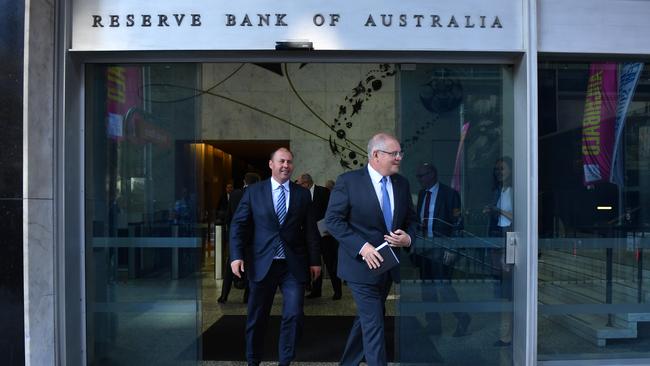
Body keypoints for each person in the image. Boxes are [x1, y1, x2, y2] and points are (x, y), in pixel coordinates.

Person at [325, 133, 417, 366]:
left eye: (400, 153)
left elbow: (413, 221)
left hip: (387, 266)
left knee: (368, 318)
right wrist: (362, 247)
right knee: (374, 323)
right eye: (393, 153)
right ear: (376, 155)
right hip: (360, 267)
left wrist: (408, 238)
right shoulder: (349, 181)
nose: (398, 158)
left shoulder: (402, 183)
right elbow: (333, 221)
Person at [229, 148, 321, 366]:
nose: (286, 166)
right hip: (262, 263)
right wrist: (236, 256)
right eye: (281, 161)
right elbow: (238, 225)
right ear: (271, 164)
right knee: (257, 317)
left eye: (289, 162)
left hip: (293, 265)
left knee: (294, 314)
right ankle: (253, 360)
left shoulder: (302, 194)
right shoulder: (254, 192)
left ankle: (285, 361)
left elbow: (310, 230)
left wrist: (315, 260)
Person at [414, 163, 471, 337]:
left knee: (443, 285)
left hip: (443, 247)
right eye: (418, 176)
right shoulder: (423, 194)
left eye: (422, 175)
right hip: (425, 247)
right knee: (427, 288)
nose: (420, 179)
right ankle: (433, 324)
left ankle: (462, 317)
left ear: (432, 174)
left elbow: (458, 224)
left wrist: (453, 248)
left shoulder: (450, 194)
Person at [483, 156, 513, 347]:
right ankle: (509, 332)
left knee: (510, 289)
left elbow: (520, 215)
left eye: (502, 169)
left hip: (511, 239)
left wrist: (497, 210)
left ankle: (510, 334)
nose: (499, 172)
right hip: (497, 239)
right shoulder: (498, 191)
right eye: (497, 170)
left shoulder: (515, 190)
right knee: (502, 288)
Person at [297, 173, 343, 300]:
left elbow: (332, 210)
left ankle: (337, 291)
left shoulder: (324, 192)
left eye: (300, 184)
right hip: (309, 236)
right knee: (314, 263)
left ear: (306, 183)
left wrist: (327, 227)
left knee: (330, 263)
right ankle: (316, 290)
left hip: (325, 234)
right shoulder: (300, 195)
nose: (298, 186)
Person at [218, 173, 260, 304]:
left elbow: (229, 217)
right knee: (250, 267)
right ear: (257, 182)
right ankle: (247, 297)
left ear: (244, 182)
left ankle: (224, 295)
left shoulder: (235, 194)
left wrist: (231, 234)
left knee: (230, 265)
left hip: (237, 236)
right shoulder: (259, 195)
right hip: (253, 237)